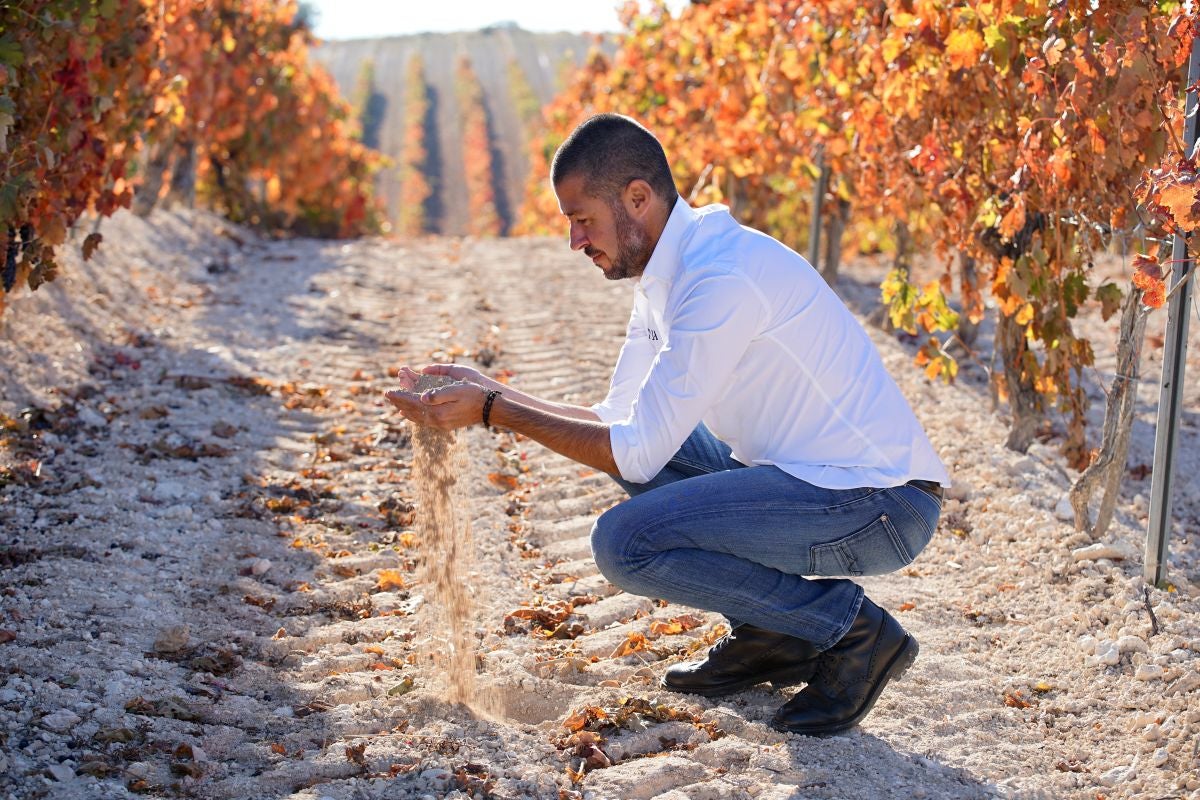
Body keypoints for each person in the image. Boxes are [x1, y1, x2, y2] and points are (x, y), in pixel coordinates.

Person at [385, 113, 950, 736]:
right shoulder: (667, 273)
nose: (575, 241)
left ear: (637, 198)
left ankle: (854, 632)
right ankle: (773, 634)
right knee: (660, 447)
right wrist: (495, 394)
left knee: (625, 544)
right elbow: (621, 423)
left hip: (879, 507)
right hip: (809, 483)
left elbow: (631, 454)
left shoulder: (718, 278)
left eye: (582, 220)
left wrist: (494, 412)